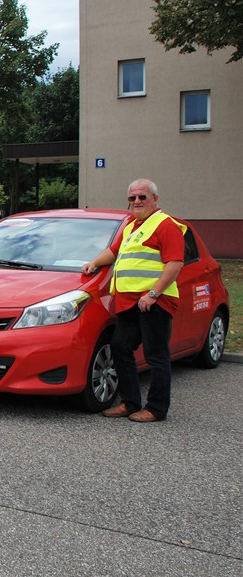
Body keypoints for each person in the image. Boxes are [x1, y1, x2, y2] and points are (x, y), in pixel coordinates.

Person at [81, 178, 185, 423]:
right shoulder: (131, 226)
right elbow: (114, 252)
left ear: (155, 199)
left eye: (142, 197)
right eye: (132, 198)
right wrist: (94, 262)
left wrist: (153, 293)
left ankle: (157, 409)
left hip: (154, 302)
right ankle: (129, 402)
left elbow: (175, 264)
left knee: (156, 355)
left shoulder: (165, 225)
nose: (137, 201)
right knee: (120, 347)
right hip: (129, 303)